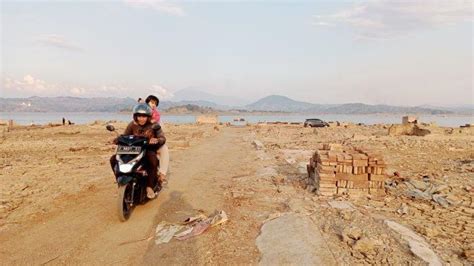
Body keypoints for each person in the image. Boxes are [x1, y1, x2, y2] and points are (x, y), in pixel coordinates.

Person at [109, 103, 166, 199]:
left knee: (152, 160)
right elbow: (125, 136)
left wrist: (156, 140)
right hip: (133, 149)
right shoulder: (132, 124)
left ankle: (149, 186)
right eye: (139, 116)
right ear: (135, 116)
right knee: (114, 159)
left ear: (148, 117)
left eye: (144, 116)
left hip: (148, 149)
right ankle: (120, 184)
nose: (141, 118)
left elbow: (162, 137)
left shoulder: (154, 125)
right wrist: (116, 140)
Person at [145, 95, 169, 184]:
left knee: (164, 149)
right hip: (140, 142)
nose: (153, 105)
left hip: (153, 140)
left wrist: (158, 140)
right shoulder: (139, 115)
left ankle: (162, 174)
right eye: (152, 102)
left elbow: (160, 134)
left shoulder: (156, 116)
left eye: (155, 103)